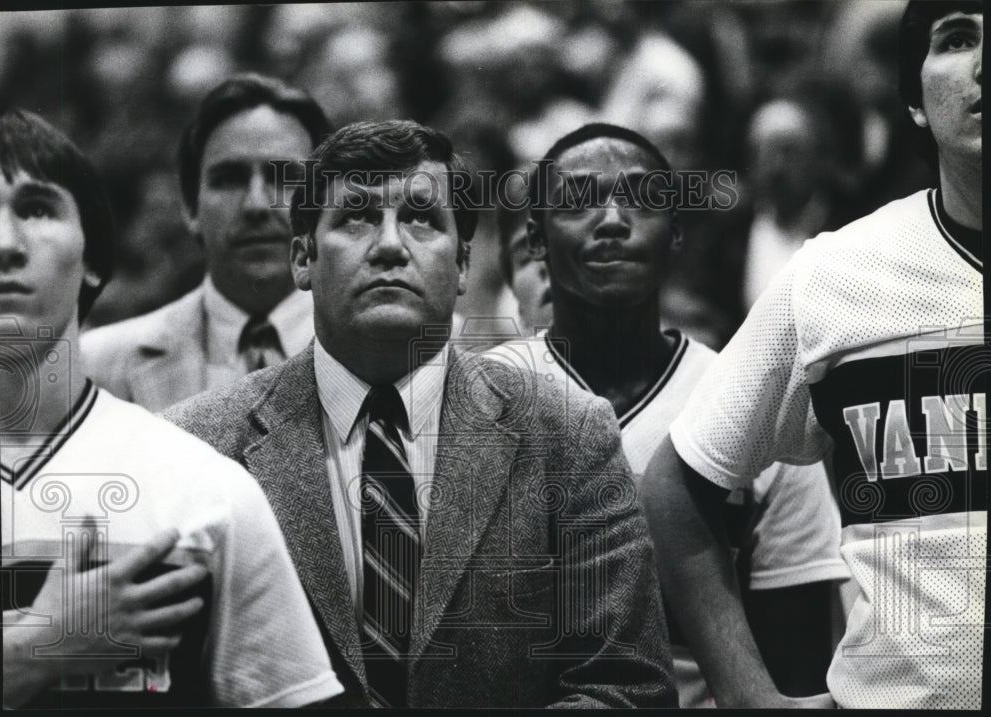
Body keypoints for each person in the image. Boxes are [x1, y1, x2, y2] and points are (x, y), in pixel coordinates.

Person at [163, 119, 676, 708]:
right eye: (356, 216)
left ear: (461, 267)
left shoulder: (570, 434)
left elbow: (629, 689)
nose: (388, 244)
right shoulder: (194, 444)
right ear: (302, 259)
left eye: (421, 218)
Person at [642, 1, 984, 709]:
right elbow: (678, 482)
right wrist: (745, 691)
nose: (985, 63)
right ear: (914, 103)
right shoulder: (836, 274)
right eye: (957, 39)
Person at [486, 123, 848, 705]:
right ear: (535, 240)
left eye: (641, 198)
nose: (611, 219)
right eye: (578, 200)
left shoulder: (746, 399)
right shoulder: (482, 397)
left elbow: (794, 664)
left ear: (675, 231)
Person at [0, 108, 344, 708]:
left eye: (35, 209)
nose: (3, 244)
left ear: (95, 260)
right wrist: (36, 649)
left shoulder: (203, 487)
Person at [80, 73, 330, 411]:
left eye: (284, 178)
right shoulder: (95, 366)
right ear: (189, 205)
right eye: (228, 179)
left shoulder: (382, 354)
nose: (256, 204)